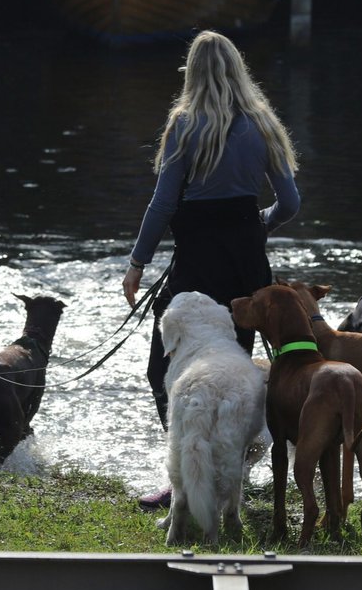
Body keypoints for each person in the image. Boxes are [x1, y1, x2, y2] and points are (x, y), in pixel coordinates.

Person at [120, 29, 301, 510]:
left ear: (192, 74)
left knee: (166, 366)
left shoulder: (184, 123)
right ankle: (234, 471)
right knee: (239, 369)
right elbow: (291, 202)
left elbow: (162, 205)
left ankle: (185, 473)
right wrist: (260, 223)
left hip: (197, 264)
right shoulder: (264, 124)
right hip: (247, 266)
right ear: (239, 70)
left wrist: (138, 262)